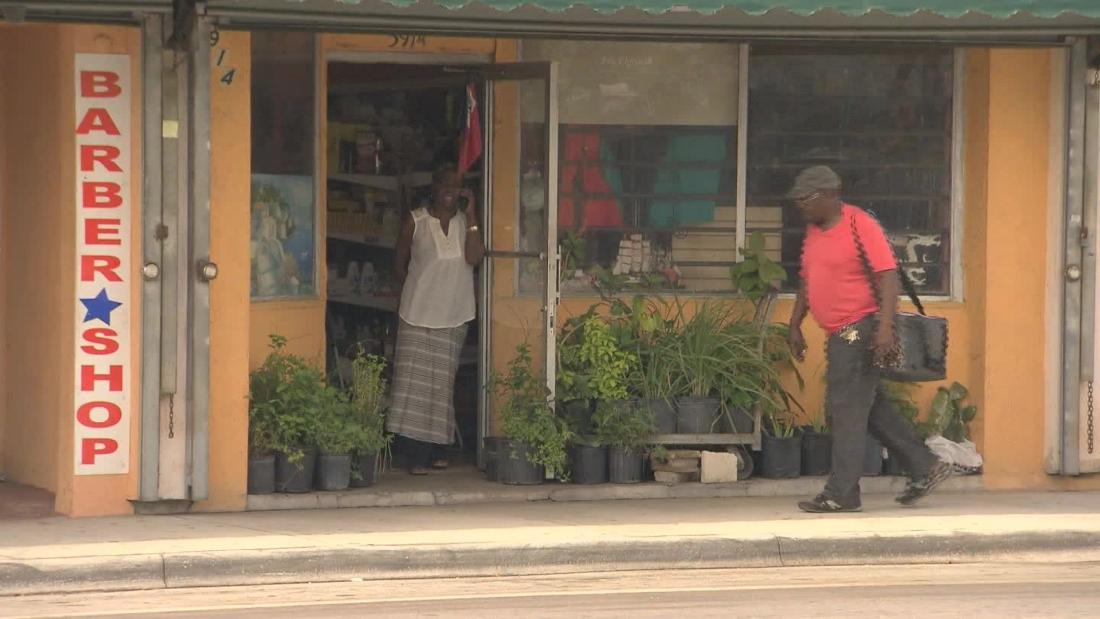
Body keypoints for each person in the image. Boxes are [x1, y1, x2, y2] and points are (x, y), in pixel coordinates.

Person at [787, 165, 950, 513]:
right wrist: (795, 324)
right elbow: (807, 279)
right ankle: (925, 465)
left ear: (831, 194)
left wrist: (886, 328)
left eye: (807, 197)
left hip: (859, 328)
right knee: (869, 408)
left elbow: (887, 277)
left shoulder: (859, 224)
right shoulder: (814, 231)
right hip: (837, 332)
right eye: (798, 198)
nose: (800, 203)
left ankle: (842, 492)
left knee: (844, 411)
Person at [387, 164, 484, 475]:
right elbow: (399, 264)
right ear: (433, 186)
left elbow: (474, 257)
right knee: (412, 387)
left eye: (456, 186)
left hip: (454, 316)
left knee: (441, 387)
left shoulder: (463, 223)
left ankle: (436, 451)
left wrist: (472, 216)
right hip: (416, 314)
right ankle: (413, 455)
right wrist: (419, 291)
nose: (449, 191)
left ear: (462, 192)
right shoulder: (416, 221)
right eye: (444, 184)